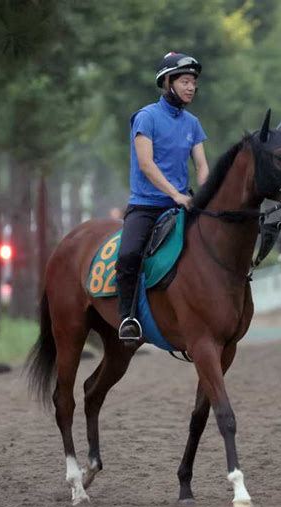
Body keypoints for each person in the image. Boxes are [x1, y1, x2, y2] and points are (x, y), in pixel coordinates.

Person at [115, 52, 209, 340]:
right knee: (129, 255)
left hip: (183, 204)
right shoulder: (146, 118)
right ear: (167, 82)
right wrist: (176, 195)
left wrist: (204, 195)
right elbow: (146, 164)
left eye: (193, 81)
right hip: (146, 206)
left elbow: (202, 165)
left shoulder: (192, 123)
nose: (191, 87)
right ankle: (128, 318)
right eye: (185, 81)